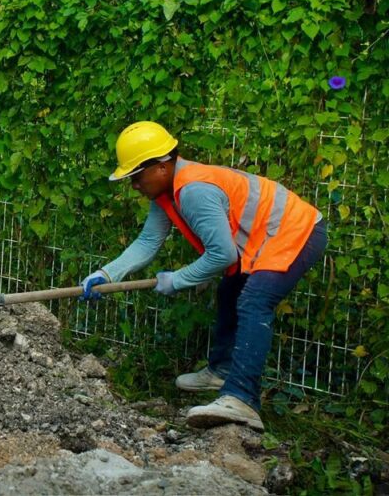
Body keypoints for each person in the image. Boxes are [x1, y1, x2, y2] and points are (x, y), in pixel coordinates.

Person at [80, 121, 327, 432]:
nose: (134, 185)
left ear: (160, 167)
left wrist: (179, 279)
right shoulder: (167, 193)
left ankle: (242, 398)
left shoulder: (194, 190)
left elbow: (223, 254)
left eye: (136, 175)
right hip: (265, 238)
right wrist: (106, 274)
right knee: (229, 292)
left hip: (296, 231)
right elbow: (148, 242)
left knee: (254, 301)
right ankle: (222, 371)